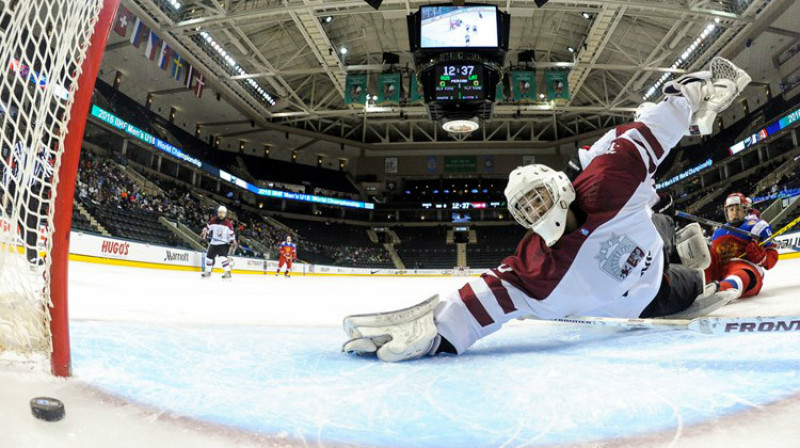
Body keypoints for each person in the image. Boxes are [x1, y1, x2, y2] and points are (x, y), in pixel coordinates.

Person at [342, 57, 752, 362]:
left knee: (673, 231)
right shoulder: (536, 264)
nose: (537, 211)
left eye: (537, 197)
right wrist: (437, 332)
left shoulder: (609, 179)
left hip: (646, 229)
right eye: (526, 209)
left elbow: (652, 129)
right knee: (699, 278)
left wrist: (693, 92)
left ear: (560, 186)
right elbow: (487, 297)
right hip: (650, 296)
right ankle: (699, 268)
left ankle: (684, 248)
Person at [704, 193, 778, 298]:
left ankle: (723, 289)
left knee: (742, 273)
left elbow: (772, 254)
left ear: (745, 211)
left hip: (743, 265)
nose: (734, 213)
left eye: (738, 209)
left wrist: (762, 258)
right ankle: (696, 287)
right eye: (731, 210)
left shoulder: (757, 226)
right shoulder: (718, 232)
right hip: (719, 270)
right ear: (726, 212)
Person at [200, 205, 237, 279]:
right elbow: (207, 227)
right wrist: (204, 231)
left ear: (225, 213)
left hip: (223, 243)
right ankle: (208, 272)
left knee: (223, 258)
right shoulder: (213, 220)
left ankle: (227, 272)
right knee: (209, 258)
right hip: (213, 243)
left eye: (223, 213)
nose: (221, 214)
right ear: (218, 212)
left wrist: (233, 240)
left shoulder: (228, 223)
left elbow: (231, 233)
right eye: (220, 212)